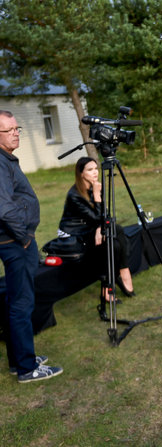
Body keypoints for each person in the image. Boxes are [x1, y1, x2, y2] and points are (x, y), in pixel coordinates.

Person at [0, 110, 63, 383]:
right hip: (15, 242)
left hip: (15, 240)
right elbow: (4, 208)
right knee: (22, 304)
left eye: (17, 128)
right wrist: (24, 237)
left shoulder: (6, 160)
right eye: (10, 129)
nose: (16, 132)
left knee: (15, 301)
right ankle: (27, 368)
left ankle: (18, 361)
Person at [57, 157, 134, 299]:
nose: (95, 173)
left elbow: (105, 215)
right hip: (73, 233)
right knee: (112, 242)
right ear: (81, 174)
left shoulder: (96, 186)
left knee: (117, 235)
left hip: (90, 227)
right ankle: (110, 283)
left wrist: (100, 228)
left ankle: (123, 271)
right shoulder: (74, 195)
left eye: (96, 169)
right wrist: (98, 195)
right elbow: (96, 217)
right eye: (90, 170)